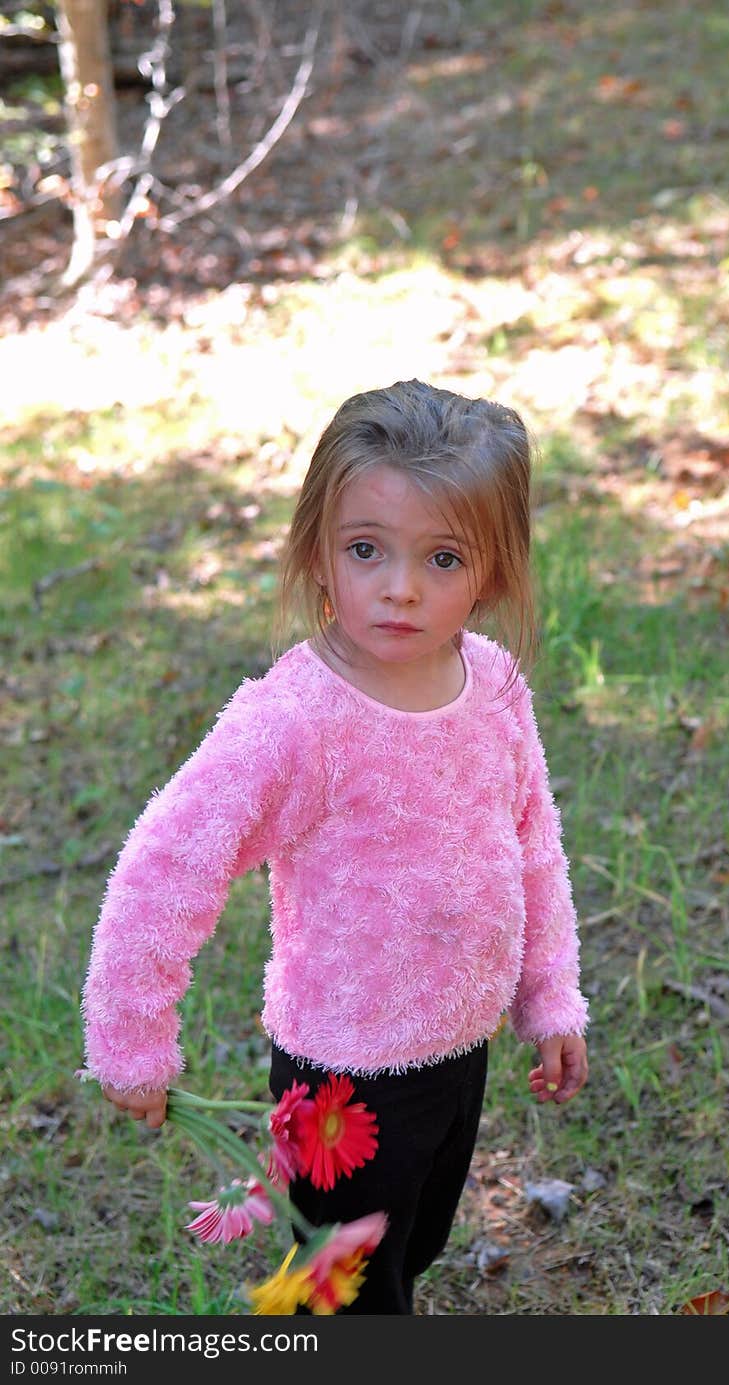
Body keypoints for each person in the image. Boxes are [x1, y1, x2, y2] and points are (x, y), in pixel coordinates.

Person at [81, 378, 590, 1315]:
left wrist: (549, 994)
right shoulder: (295, 721)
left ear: (496, 572)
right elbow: (168, 865)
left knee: (416, 1243)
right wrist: (130, 1041)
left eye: (442, 557)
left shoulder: (494, 684)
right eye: (367, 550)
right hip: (344, 1077)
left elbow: (533, 840)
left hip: (459, 1042)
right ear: (319, 553)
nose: (400, 586)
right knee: (350, 1293)